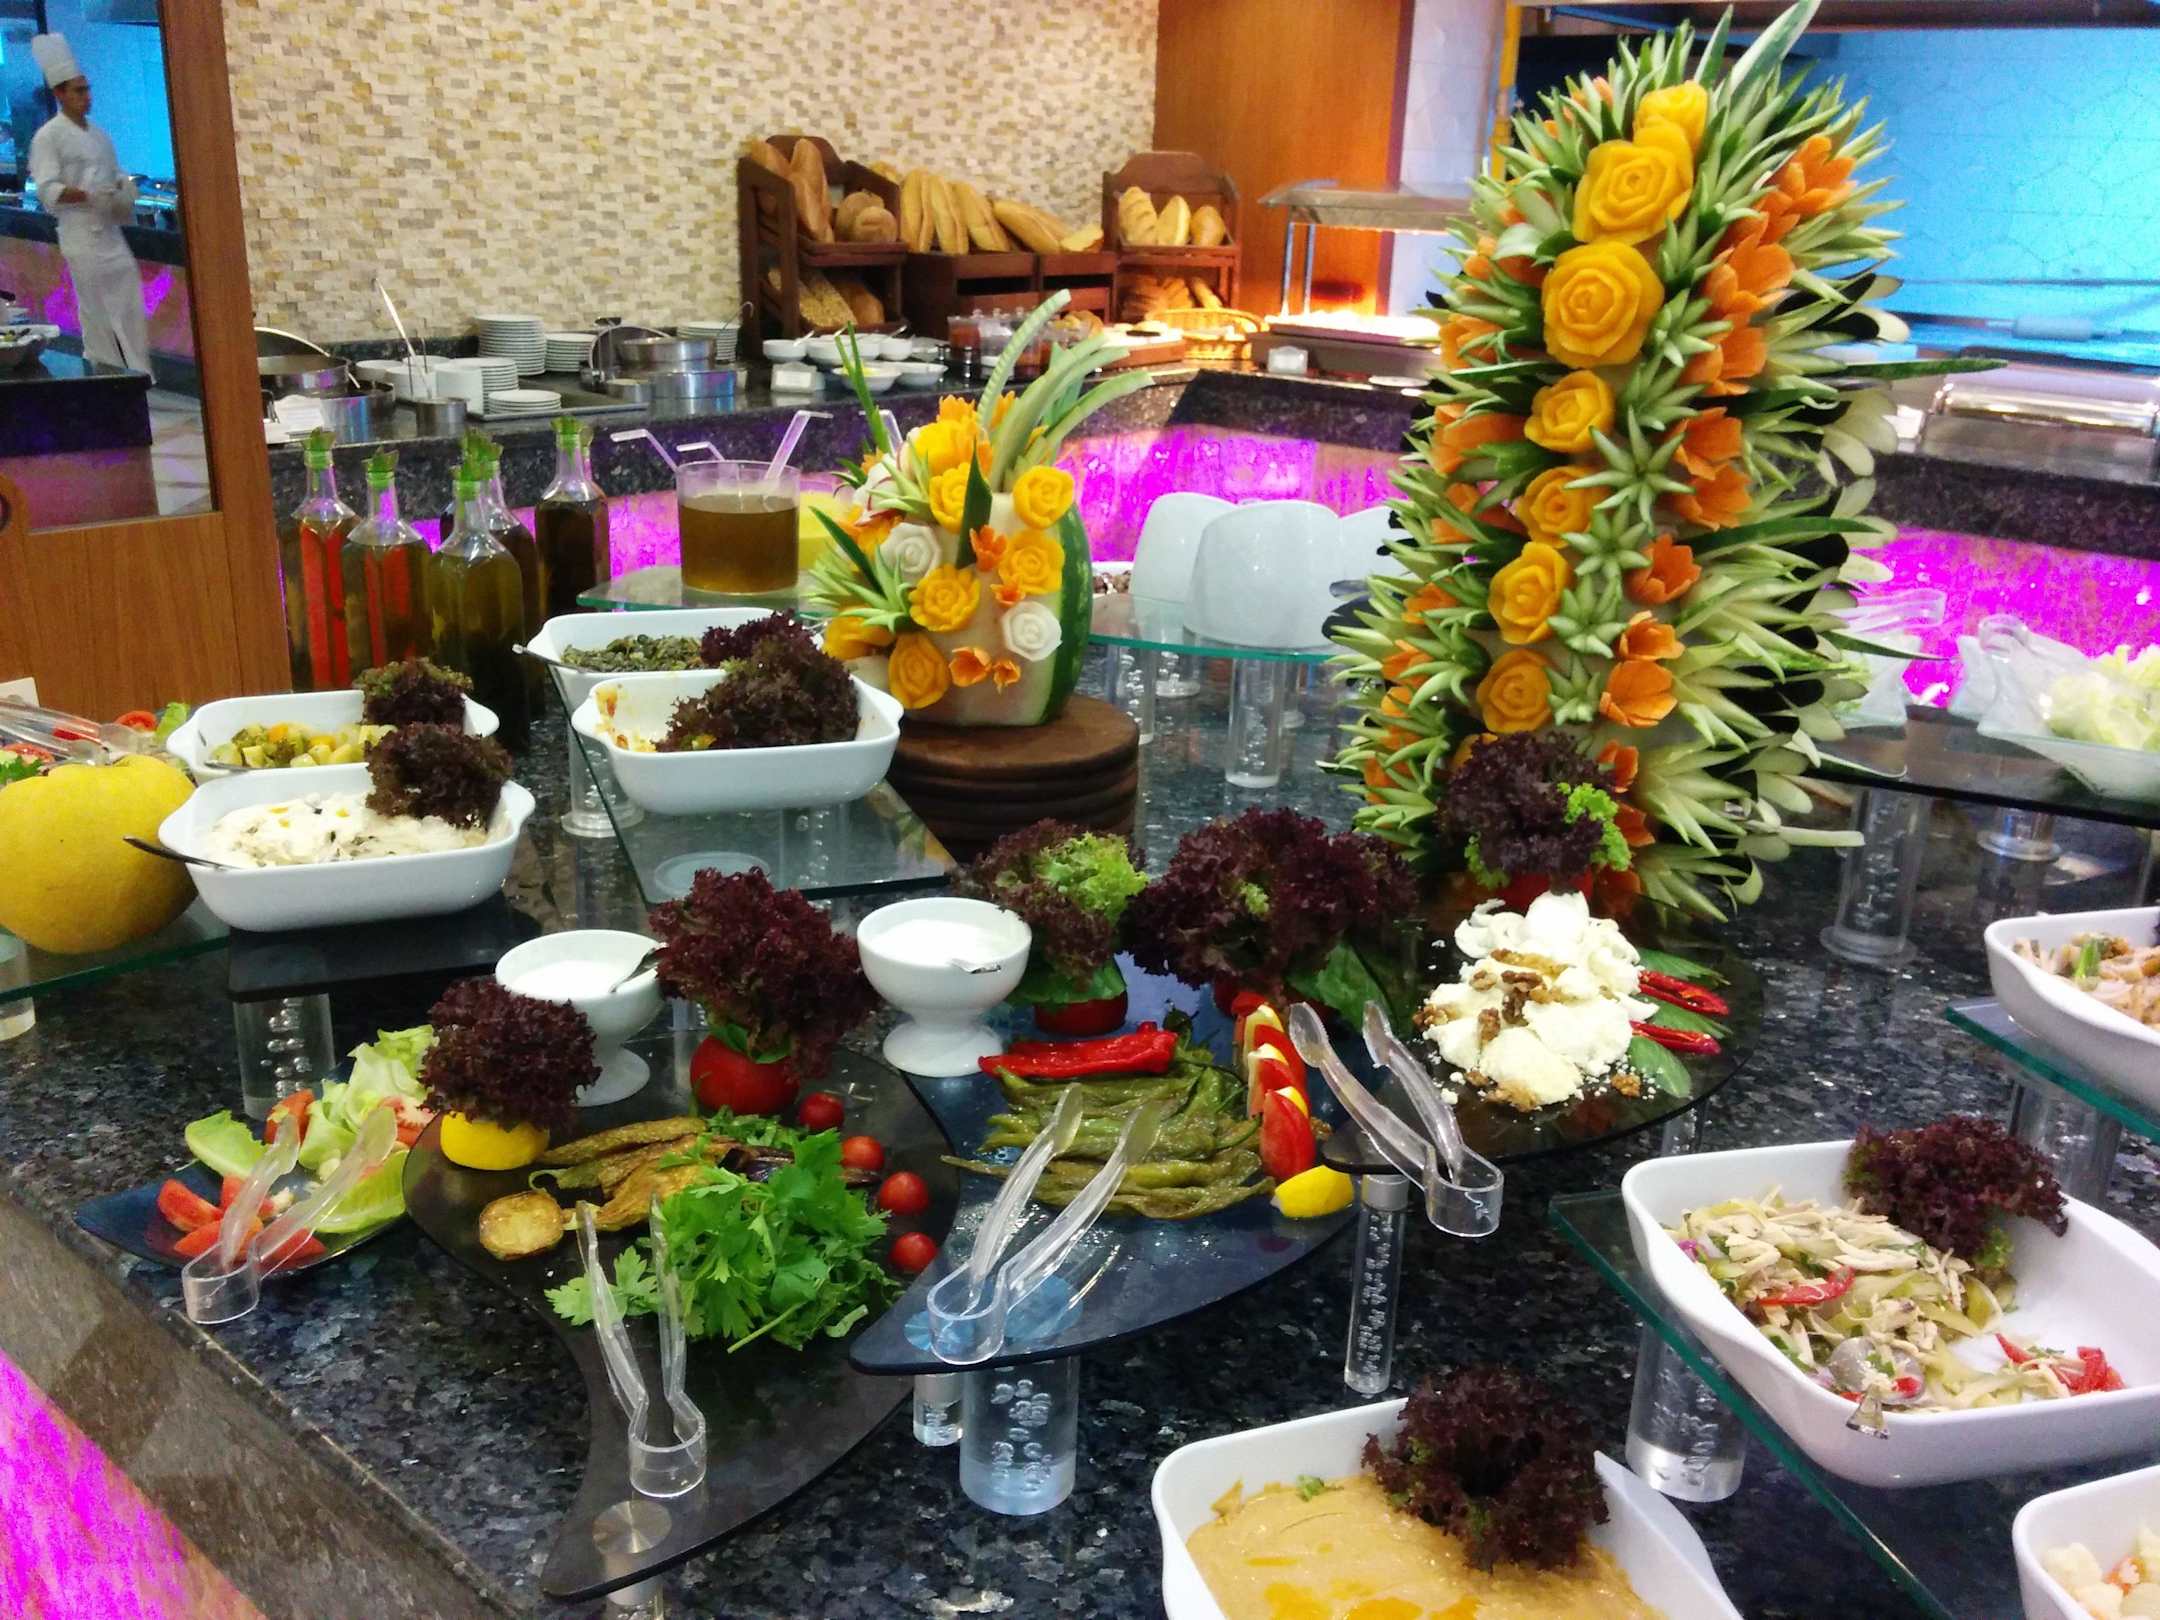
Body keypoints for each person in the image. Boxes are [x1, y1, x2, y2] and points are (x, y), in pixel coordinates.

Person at [26, 32, 152, 380]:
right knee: (97, 312)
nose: (87, 97)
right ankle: (107, 376)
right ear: (60, 94)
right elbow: (48, 190)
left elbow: (115, 174)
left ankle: (138, 374)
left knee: (129, 306)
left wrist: (122, 188)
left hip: (110, 232)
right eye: (79, 91)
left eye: (87, 90)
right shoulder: (48, 137)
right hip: (80, 234)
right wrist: (88, 195)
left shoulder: (99, 135)